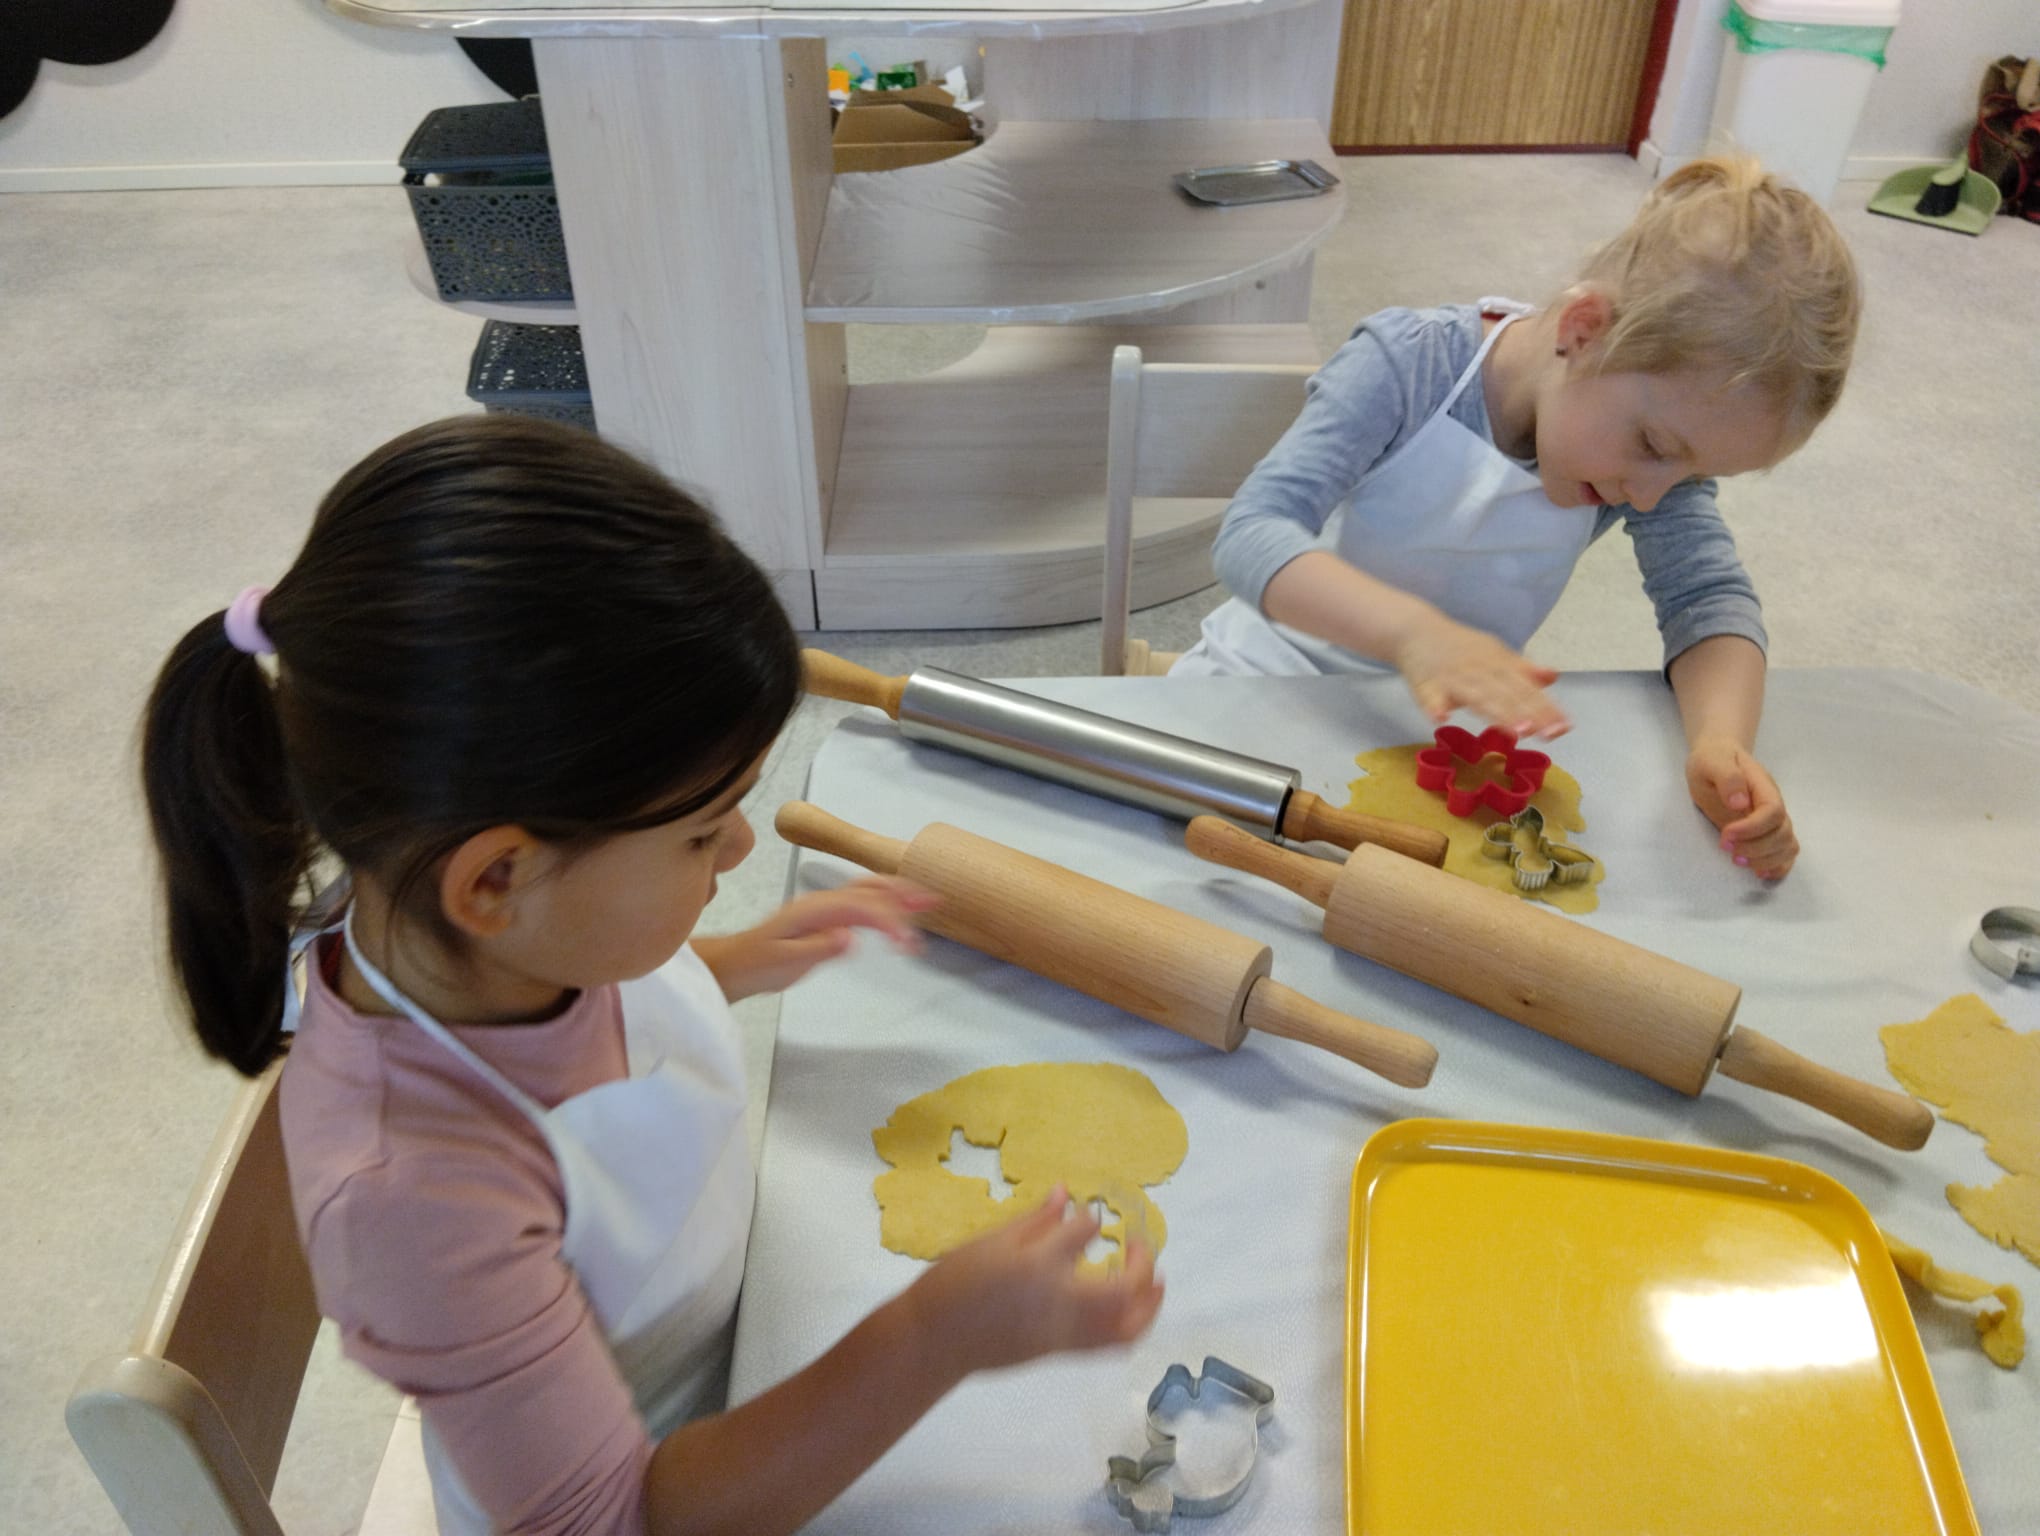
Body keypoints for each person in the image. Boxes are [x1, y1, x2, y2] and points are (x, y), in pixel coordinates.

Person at [140, 415, 1163, 1536]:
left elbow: (594, 1033)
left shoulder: (481, 930)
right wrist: (935, 1336)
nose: (741, 849)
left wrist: (729, 965)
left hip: (733, 1345)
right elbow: (616, 1519)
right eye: (701, 833)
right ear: (496, 879)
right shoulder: (415, 1201)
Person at [1174, 157, 1862, 881]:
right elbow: (1252, 533)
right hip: (1258, 681)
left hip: (1427, 737)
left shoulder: (1638, 460)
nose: (1652, 496)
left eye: (1691, 474)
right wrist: (1414, 635)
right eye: (1656, 447)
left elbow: (1708, 599)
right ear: (1583, 330)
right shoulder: (1409, 364)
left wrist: (1721, 742)